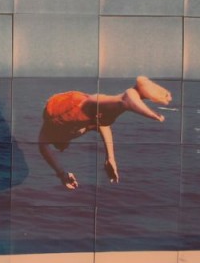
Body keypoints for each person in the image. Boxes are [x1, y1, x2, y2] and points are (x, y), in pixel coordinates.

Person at [38, 76, 172, 190]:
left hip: (60, 109)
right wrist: (110, 158)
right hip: (71, 99)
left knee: (90, 108)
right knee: (101, 116)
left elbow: (43, 147)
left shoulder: (56, 133)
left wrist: (62, 174)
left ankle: (125, 100)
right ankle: (137, 91)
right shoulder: (76, 128)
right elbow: (104, 127)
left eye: (61, 147)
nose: (63, 148)